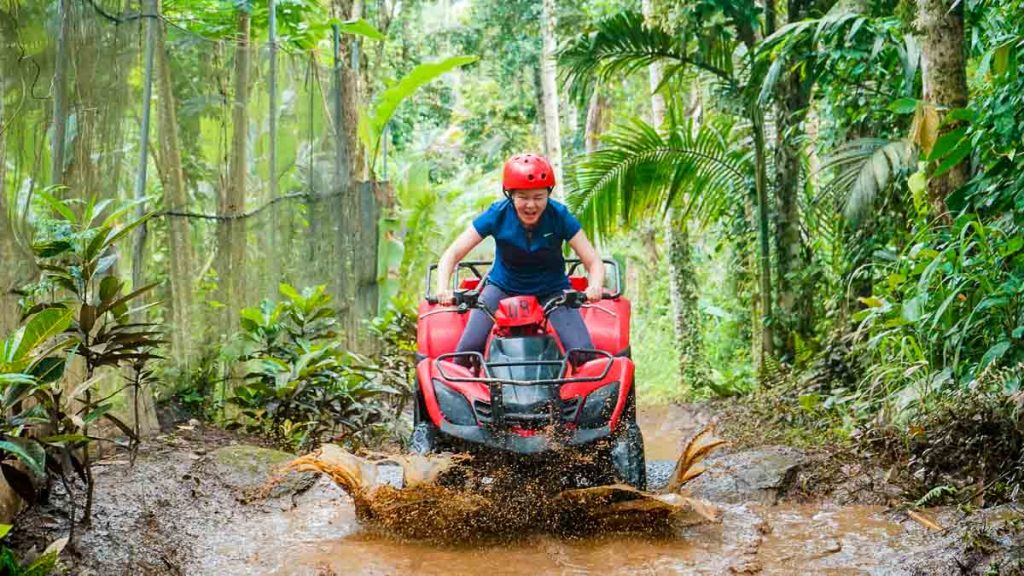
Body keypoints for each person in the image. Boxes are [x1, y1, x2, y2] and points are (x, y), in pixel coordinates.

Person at [435, 153, 606, 356]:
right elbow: (452, 253)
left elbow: (593, 260)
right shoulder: (496, 214)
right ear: (511, 195)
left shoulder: (559, 215)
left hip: (553, 290)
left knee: (583, 352)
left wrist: (594, 286)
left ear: (548, 195)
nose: (531, 205)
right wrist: (442, 289)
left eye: (539, 197)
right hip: (502, 287)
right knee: (467, 350)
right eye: (523, 197)